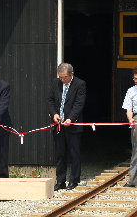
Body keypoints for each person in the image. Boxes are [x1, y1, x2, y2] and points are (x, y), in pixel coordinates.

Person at [47, 63, 86, 191]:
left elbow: (79, 104)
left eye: (65, 77)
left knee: (74, 153)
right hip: (58, 125)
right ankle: (60, 180)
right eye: (61, 77)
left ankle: (74, 180)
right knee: (60, 154)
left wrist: (71, 118)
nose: (63, 80)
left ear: (71, 74)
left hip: (72, 125)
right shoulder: (55, 83)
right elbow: (50, 100)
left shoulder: (80, 84)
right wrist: (54, 114)